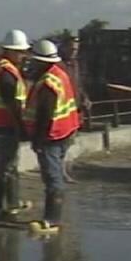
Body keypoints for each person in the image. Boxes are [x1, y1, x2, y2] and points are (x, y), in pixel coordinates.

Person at [22, 39, 82, 234]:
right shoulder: (59, 75)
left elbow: (45, 114)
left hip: (52, 136)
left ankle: (51, 220)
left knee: (52, 178)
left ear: (40, 61)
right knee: (55, 176)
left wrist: (38, 140)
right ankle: (52, 218)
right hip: (65, 131)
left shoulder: (48, 82)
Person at [0, 29, 31, 221]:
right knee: (4, 166)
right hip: (5, 123)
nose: (23, 55)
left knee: (9, 165)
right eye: (20, 51)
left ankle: (12, 203)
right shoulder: (7, 73)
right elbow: (14, 105)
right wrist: (23, 127)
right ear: (9, 51)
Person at [59, 31, 88, 184]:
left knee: (70, 141)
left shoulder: (75, 65)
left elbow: (78, 84)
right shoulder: (60, 66)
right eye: (71, 48)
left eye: (76, 49)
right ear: (64, 48)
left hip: (76, 108)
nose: (73, 52)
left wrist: (84, 98)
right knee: (63, 142)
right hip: (64, 110)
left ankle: (63, 169)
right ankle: (61, 172)